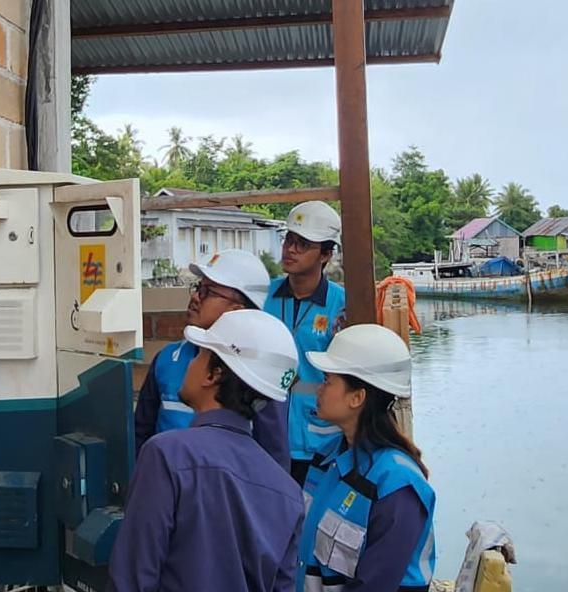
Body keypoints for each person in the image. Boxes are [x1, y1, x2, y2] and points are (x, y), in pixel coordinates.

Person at [108, 309, 304, 592]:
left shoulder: (167, 455)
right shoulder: (289, 492)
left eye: (199, 354)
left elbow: (132, 578)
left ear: (213, 375)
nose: (190, 363)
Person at [297, 324, 436, 592]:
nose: (319, 389)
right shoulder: (326, 458)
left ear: (357, 397)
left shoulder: (397, 486)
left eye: (328, 380)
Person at [134, 249, 290, 469]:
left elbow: (274, 460)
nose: (195, 297)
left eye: (208, 292)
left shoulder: (257, 374)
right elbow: (140, 435)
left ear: (236, 310)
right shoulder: (167, 360)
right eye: (198, 287)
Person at [264, 201, 346, 484]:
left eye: (303, 243)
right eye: (289, 240)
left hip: (322, 443)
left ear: (325, 254)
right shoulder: (264, 296)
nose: (291, 249)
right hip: (267, 436)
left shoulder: (341, 305)